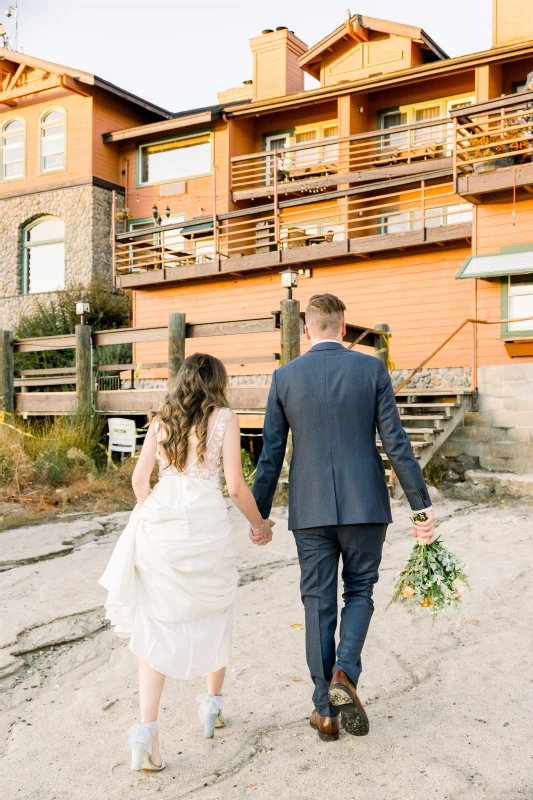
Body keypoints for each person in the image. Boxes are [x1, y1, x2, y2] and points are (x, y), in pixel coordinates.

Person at [251, 293, 436, 742]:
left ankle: (325, 711)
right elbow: (396, 443)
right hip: (365, 506)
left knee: (317, 601)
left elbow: (271, 454)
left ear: (307, 330)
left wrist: (258, 515)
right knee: (359, 590)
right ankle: (344, 675)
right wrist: (421, 507)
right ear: (344, 326)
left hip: (310, 509)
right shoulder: (370, 368)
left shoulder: (284, 377)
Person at [99, 354, 273, 771]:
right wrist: (259, 524)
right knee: (216, 612)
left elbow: (139, 481)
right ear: (219, 381)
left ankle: (147, 734)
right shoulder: (226, 418)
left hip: (162, 527)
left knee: (156, 623)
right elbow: (233, 484)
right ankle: (211, 707)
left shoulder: (161, 419)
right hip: (205, 526)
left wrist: (154, 512)